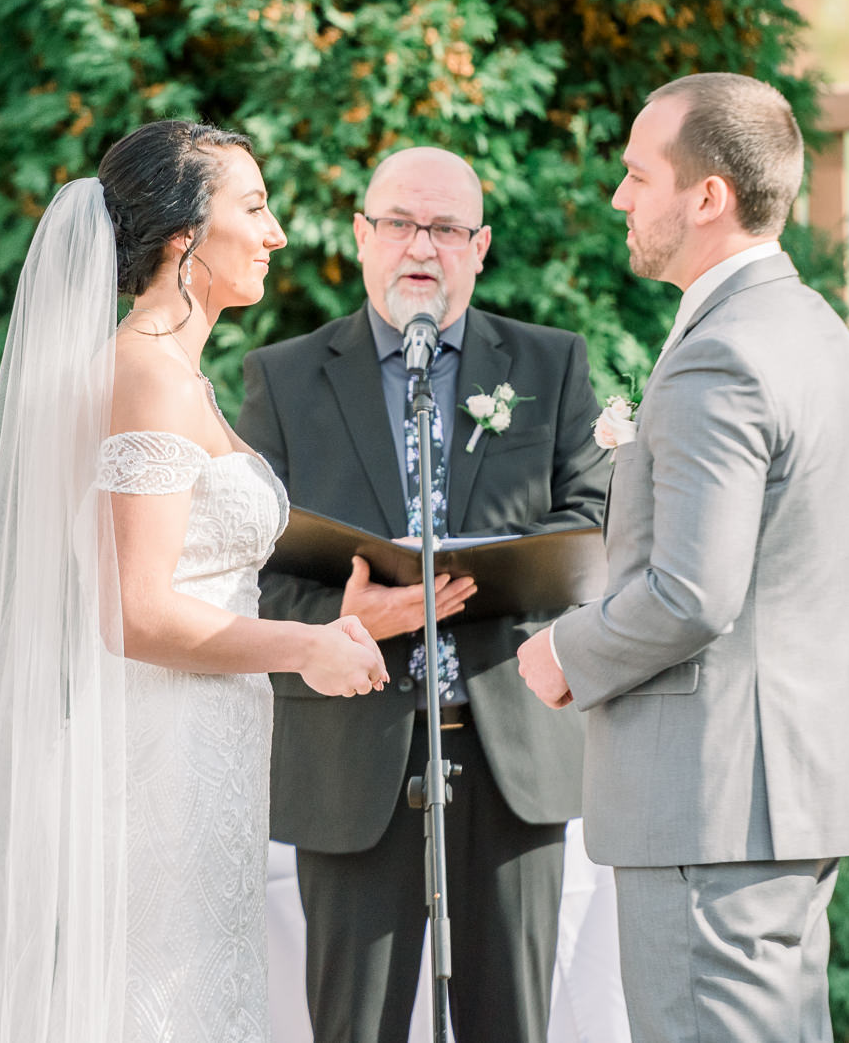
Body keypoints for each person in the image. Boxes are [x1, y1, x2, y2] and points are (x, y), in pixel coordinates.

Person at [0, 120, 388, 1043]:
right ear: (183, 239)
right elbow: (134, 613)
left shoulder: (176, 374)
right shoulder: (147, 377)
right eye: (253, 207)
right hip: (155, 753)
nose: (277, 233)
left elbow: (197, 578)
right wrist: (305, 649)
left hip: (204, 740)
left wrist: (343, 621)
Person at [518, 74, 849, 1043]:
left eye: (640, 175)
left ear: (708, 195)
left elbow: (691, 591)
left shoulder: (723, 353)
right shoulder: (814, 333)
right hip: (782, 798)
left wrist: (564, 653)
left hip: (711, 804)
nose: (620, 198)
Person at [238, 146, 612, 1043]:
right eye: (400, 223)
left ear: (479, 247)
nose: (421, 246)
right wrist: (340, 619)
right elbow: (245, 571)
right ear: (362, 236)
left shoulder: (549, 365)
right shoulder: (283, 380)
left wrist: (494, 577)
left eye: (446, 228)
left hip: (510, 745)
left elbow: (595, 522)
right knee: (353, 1026)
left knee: (510, 1024)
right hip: (350, 753)